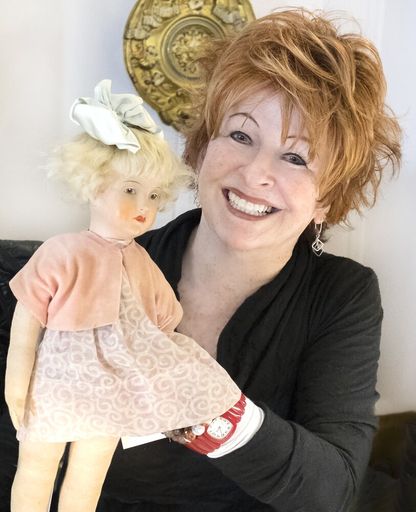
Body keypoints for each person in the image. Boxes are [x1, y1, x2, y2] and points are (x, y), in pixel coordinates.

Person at [95, 8, 402, 512]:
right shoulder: (113, 263)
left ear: (326, 200)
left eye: (296, 157)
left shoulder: (342, 293)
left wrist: (210, 408)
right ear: (202, 149)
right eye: (241, 135)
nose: (256, 174)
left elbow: (332, 489)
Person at [4, 79, 242, 512]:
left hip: (111, 390)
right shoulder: (62, 251)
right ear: (94, 185)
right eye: (130, 190)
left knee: (88, 476)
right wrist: (16, 383)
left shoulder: (141, 262)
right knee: (37, 467)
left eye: (153, 195)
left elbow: (163, 325)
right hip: (56, 385)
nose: (144, 206)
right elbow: (27, 319)